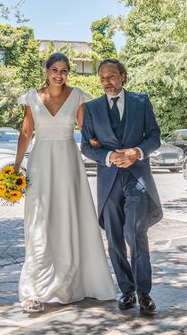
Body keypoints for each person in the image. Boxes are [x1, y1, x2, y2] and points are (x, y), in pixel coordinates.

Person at [13, 52, 115, 313]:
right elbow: (26, 132)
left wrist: (107, 148)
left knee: (69, 217)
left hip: (69, 162)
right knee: (39, 221)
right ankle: (35, 289)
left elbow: (86, 130)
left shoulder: (78, 95)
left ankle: (70, 282)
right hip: (41, 162)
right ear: (46, 71)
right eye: (55, 70)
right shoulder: (32, 97)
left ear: (68, 73)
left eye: (64, 70)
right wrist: (16, 167)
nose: (59, 75)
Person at [80, 58, 163, 315]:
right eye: (103, 77)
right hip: (109, 182)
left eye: (112, 76)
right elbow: (85, 146)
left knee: (135, 233)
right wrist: (107, 156)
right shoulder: (92, 108)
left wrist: (136, 152)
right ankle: (126, 291)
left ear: (123, 76)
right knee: (115, 240)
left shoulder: (141, 101)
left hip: (137, 178)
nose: (107, 81)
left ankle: (144, 293)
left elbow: (154, 136)